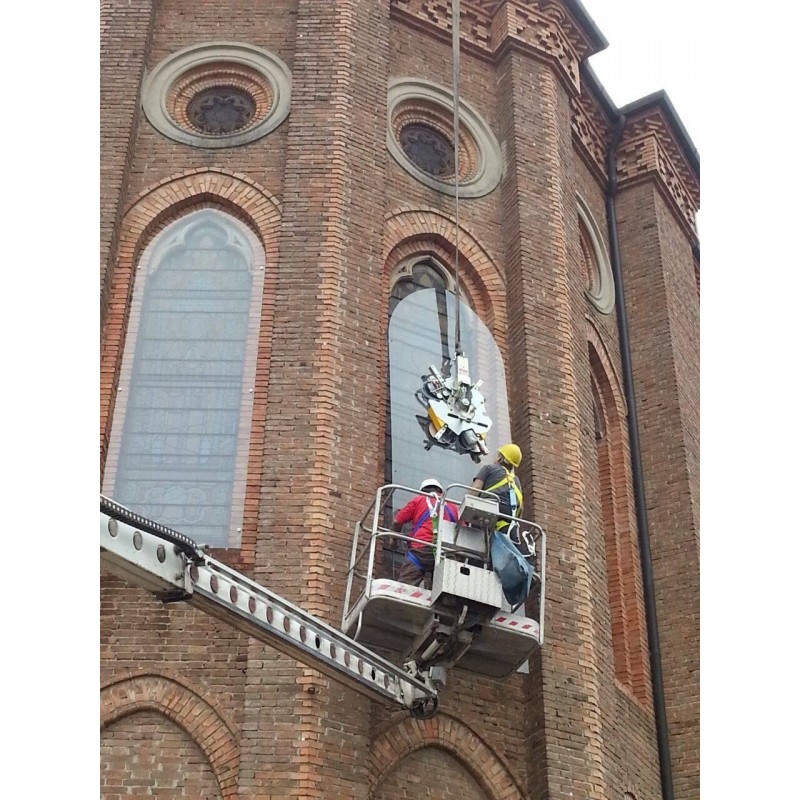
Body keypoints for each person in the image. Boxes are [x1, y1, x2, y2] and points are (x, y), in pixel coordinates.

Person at [392, 478, 458, 588]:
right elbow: (462, 531)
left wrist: (393, 539)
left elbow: (397, 521)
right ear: (440, 491)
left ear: (422, 491)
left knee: (404, 588)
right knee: (444, 591)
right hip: (446, 553)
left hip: (420, 550)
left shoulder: (419, 500)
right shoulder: (453, 507)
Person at [470, 443, 524, 533]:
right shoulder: (516, 480)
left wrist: (464, 510)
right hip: (508, 519)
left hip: (489, 509)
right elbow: (520, 508)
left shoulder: (489, 468)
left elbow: (476, 488)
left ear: (500, 458)